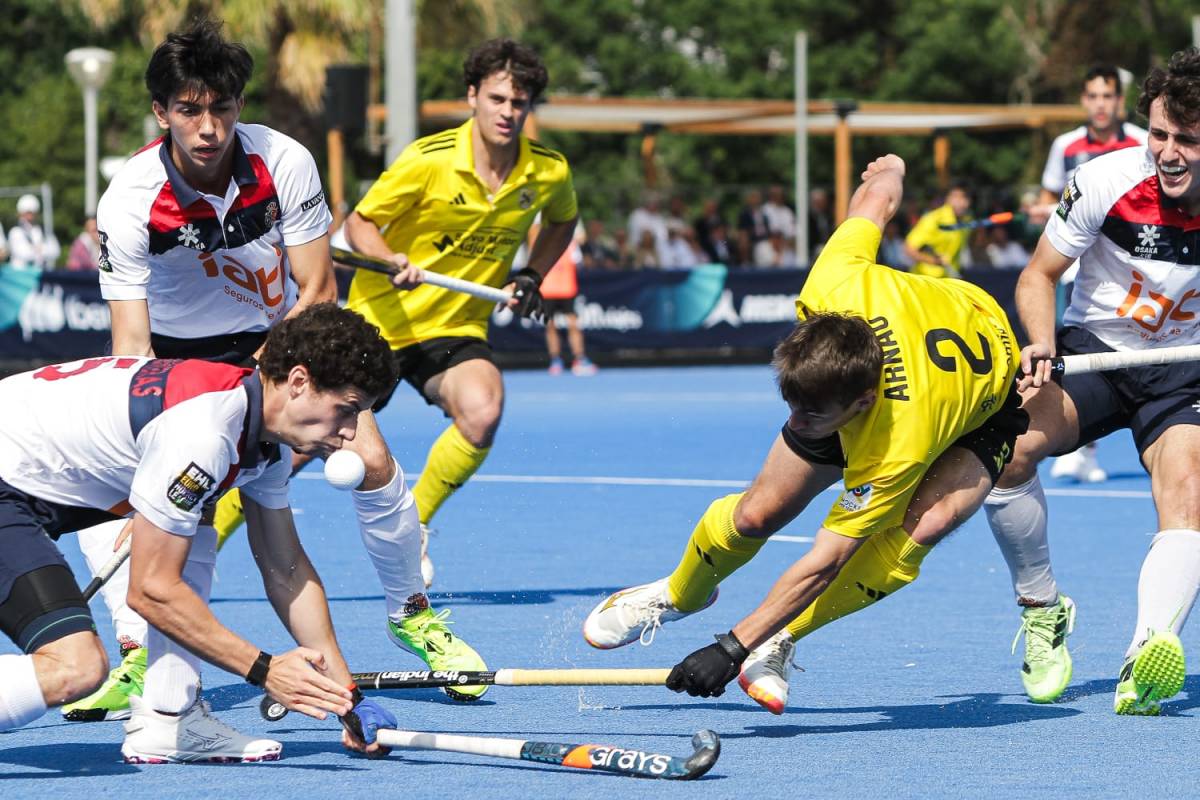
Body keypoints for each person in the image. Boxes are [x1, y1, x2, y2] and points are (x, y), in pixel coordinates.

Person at [64, 19, 487, 725]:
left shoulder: (283, 159)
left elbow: (317, 287)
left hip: (282, 346)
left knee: (372, 458)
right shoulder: (130, 198)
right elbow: (131, 343)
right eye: (190, 111)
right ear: (161, 113)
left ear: (239, 105)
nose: (208, 127)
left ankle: (411, 613)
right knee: (148, 521)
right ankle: (141, 656)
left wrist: (274, 396)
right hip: (177, 362)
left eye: (222, 108)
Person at [583, 153, 1026, 713]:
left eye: (810, 416)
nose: (795, 424)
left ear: (862, 404)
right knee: (756, 515)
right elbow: (876, 201)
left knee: (924, 526)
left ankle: (782, 638)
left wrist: (734, 646)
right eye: (790, 406)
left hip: (981, 404)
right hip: (898, 367)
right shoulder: (834, 281)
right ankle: (676, 593)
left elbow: (827, 560)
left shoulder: (898, 443)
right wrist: (890, 167)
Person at [0, 303, 398, 762]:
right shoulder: (204, 434)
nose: (350, 433)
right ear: (299, 381)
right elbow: (151, 591)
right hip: (10, 487)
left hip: (25, 491)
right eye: (346, 411)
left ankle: (169, 720)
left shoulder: (260, 438)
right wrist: (265, 670)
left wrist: (346, 698)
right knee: (76, 668)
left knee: (189, 531)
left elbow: (285, 568)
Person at [984, 48, 1200, 714]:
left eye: (1188, 141)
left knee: (1187, 491)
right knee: (1008, 453)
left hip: (1183, 369)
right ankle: (1043, 610)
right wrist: (1041, 342)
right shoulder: (1104, 180)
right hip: (1095, 351)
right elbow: (1038, 275)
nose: (1168, 152)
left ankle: (1145, 657)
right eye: (1160, 134)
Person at [342, 38, 578, 585]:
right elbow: (360, 223)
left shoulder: (547, 171)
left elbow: (562, 221)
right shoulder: (428, 160)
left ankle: (412, 522)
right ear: (473, 96)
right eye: (496, 99)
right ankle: (208, 536)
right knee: (300, 447)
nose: (507, 113)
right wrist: (388, 258)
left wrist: (531, 273)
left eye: (518, 104)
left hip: (455, 326)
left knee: (483, 408)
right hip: (379, 320)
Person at [1039, 65, 1146, 484]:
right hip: (1074, 267)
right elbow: (1050, 197)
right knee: (1079, 349)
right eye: (1093, 96)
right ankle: (1081, 444)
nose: (1100, 104)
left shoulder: (1143, 143)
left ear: (1119, 101)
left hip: (1127, 269)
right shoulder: (1064, 146)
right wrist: (1044, 208)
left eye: (1108, 96)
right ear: (1084, 100)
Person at [539, 221, 597, 376]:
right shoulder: (541, 242)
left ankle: (579, 359)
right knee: (550, 326)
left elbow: (579, 261)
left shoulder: (571, 244)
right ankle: (555, 360)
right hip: (547, 290)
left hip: (567, 290)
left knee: (573, 325)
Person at [903, 184, 972, 278]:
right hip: (925, 280)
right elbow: (909, 249)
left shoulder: (967, 221)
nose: (961, 202)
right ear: (947, 198)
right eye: (956, 197)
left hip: (948, 281)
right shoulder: (933, 219)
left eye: (964, 197)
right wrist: (934, 261)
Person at [8, 194, 60, 269]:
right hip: (20, 276)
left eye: (32, 212)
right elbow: (24, 254)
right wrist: (42, 249)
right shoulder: (15, 232)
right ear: (20, 213)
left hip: (40, 274)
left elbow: (55, 251)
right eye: (27, 212)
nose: (30, 216)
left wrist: (36, 249)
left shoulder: (43, 231)